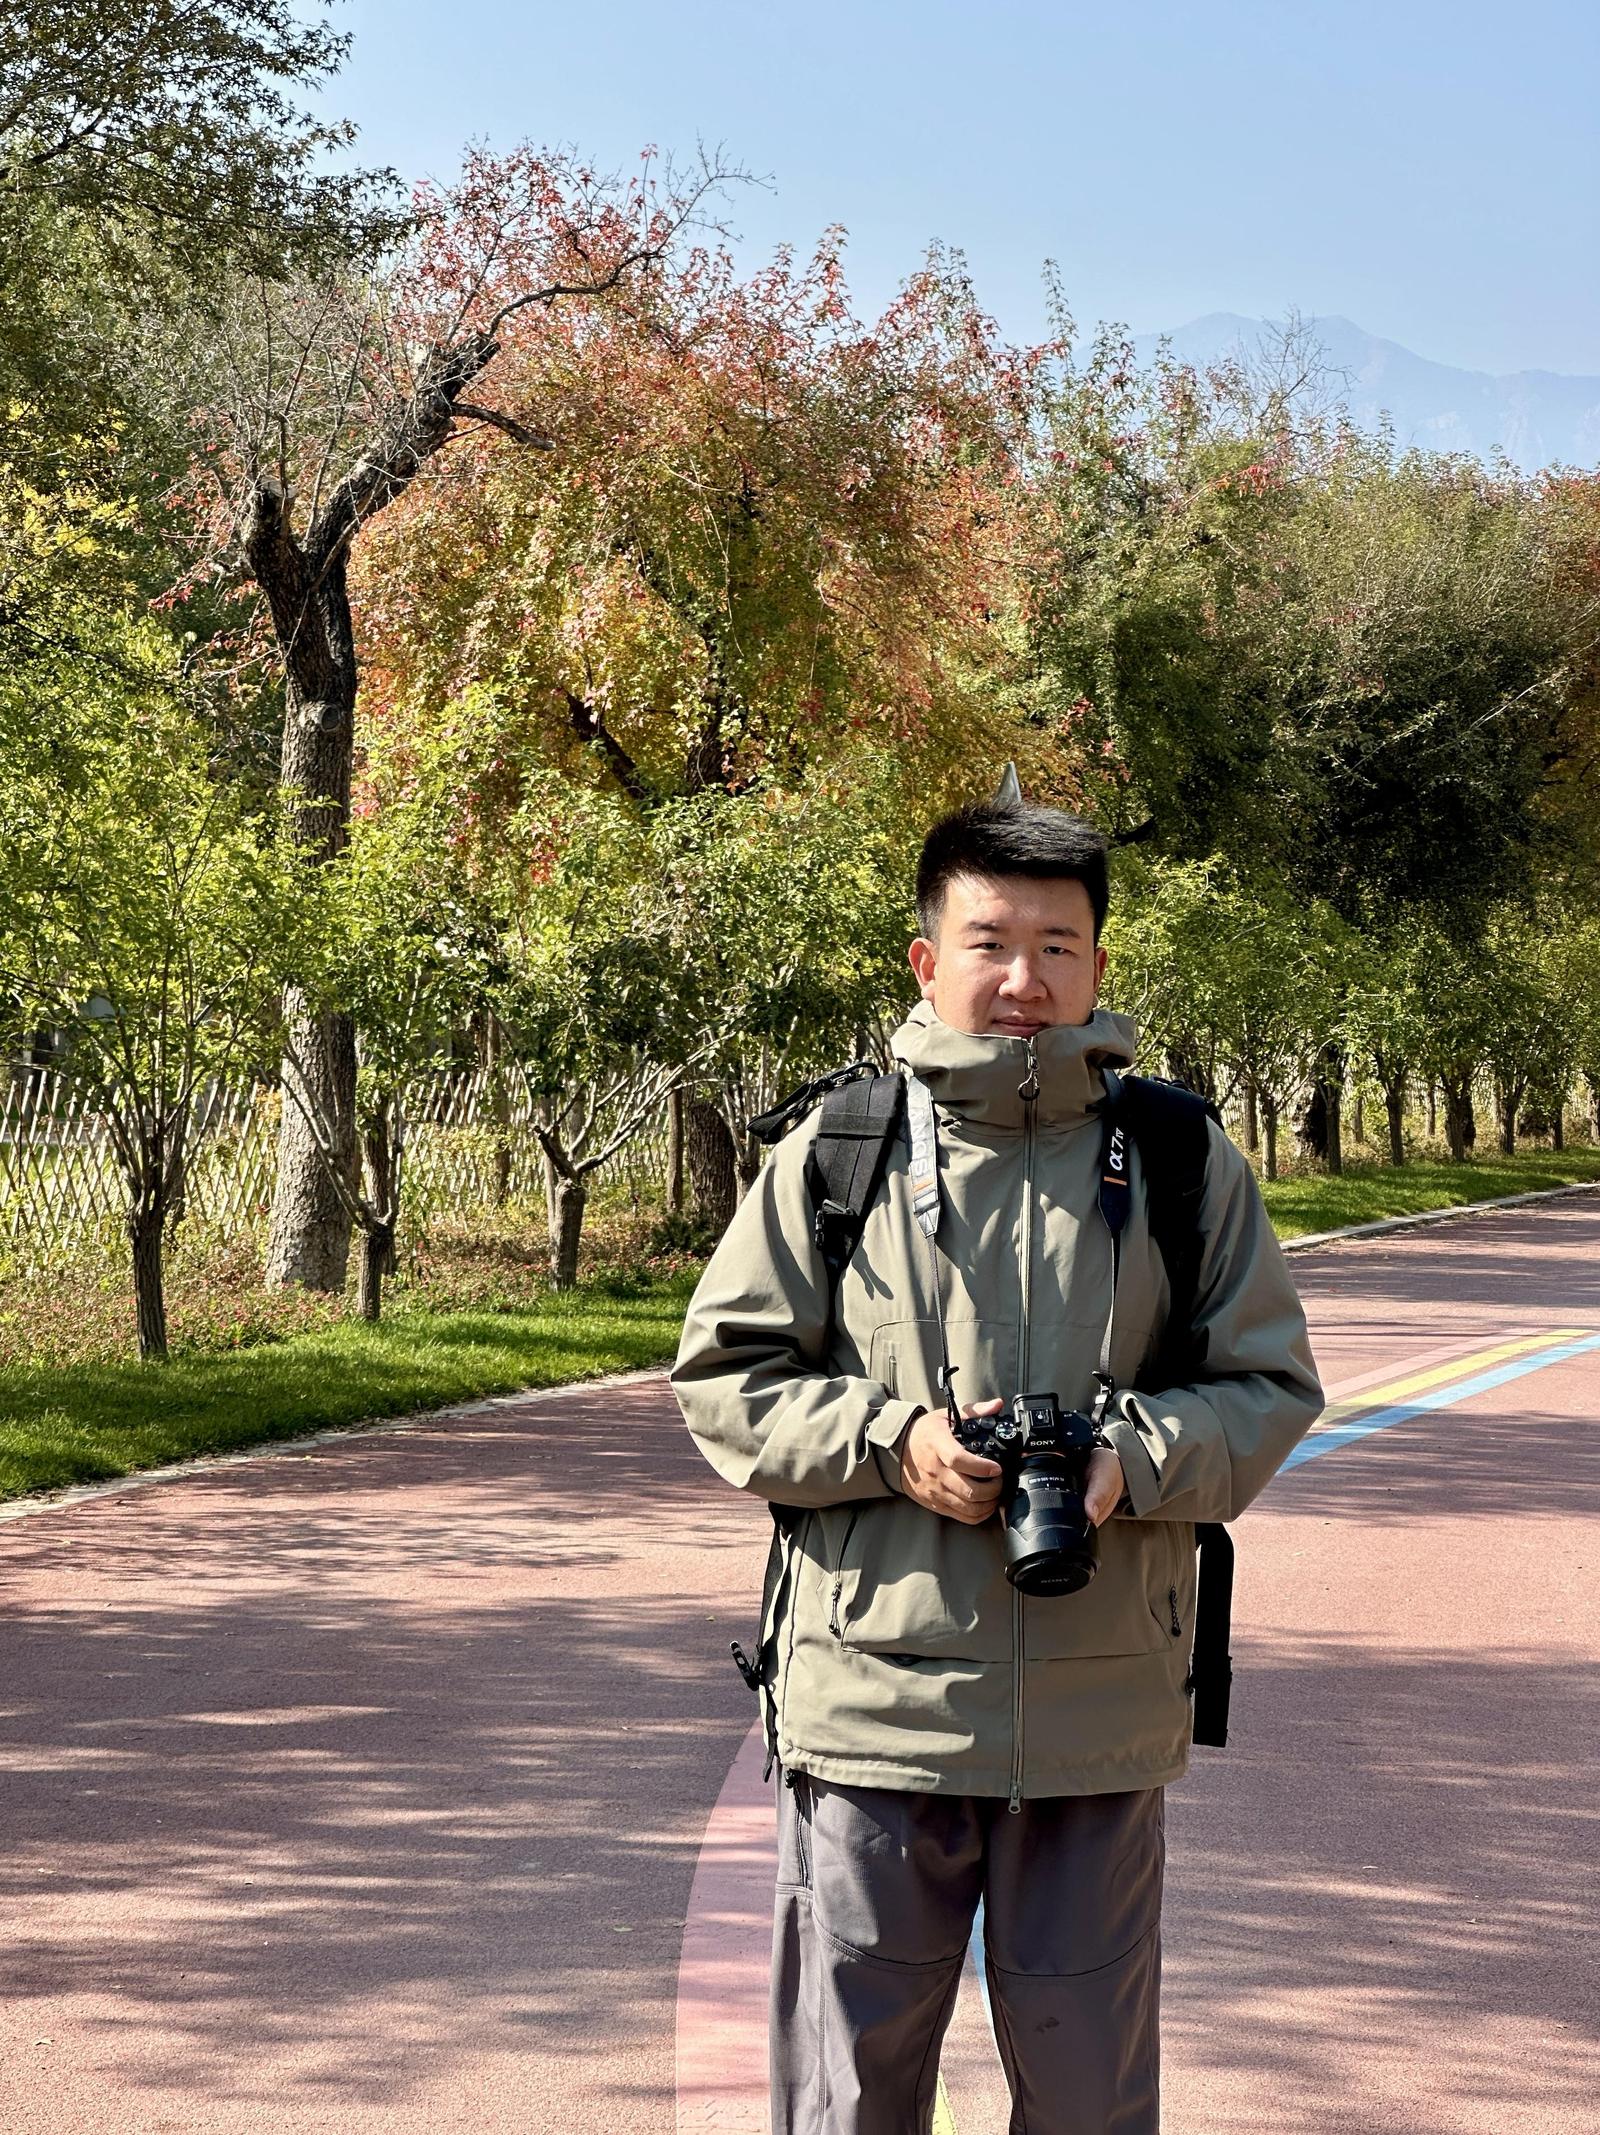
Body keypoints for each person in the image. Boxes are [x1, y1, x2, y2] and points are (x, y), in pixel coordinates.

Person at [671, 799, 1323, 2135]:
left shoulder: (1180, 1158)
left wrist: (1127, 1461)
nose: (1025, 977)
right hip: (877, 1711)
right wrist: (891, 1440)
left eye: (1058, 945)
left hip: (1099, 1715)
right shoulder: (840, 1152)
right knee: (848, 2097)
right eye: (990, 941)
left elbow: (1268, 1386)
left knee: (1089, 2101)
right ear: (928, 961)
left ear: (1098, 963)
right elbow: (726, 1380)